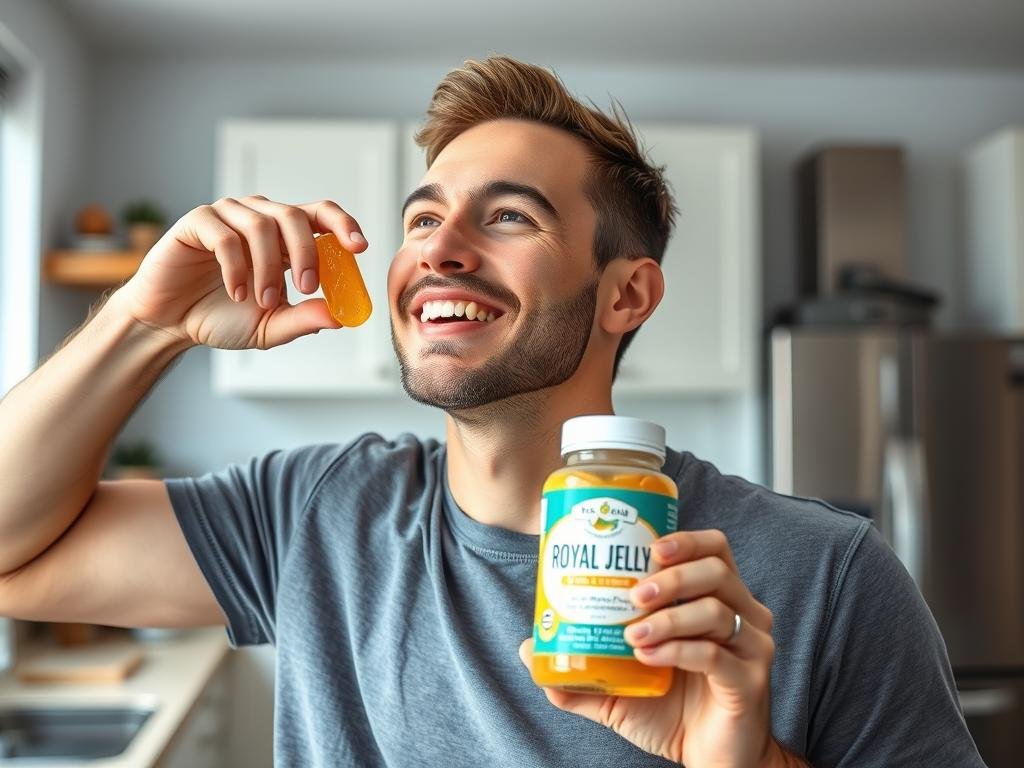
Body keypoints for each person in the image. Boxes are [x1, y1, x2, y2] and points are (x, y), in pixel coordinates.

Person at [0, 56, 983, 768]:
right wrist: (142, 322)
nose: (440, 247)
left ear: (626, 295)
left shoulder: (825, 575)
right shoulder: (316, 514)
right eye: (422, 217)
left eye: (508, 215)